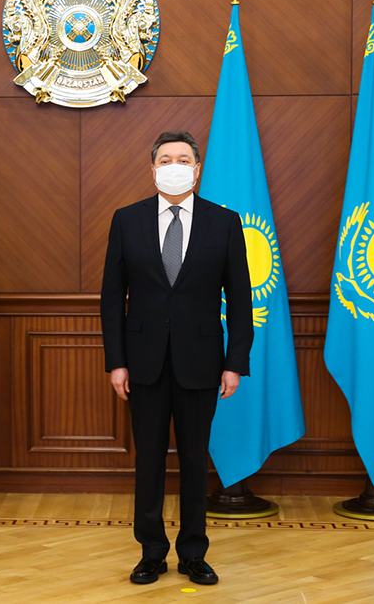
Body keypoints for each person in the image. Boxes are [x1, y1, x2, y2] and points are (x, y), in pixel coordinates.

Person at [100, 131, 252, 586]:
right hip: (142, 362)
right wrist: (117, 361)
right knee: (148, 461)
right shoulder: (126, 220)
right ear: (152, 169)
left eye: (183, 159)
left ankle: (192, 553)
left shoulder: (224, 222)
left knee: (194, 460)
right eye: (165, 159)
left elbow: (240, 301)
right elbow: (112, 298)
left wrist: (234, 362)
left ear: (197, 169)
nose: (174, 166)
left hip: (202, 362)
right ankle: (150, 552)